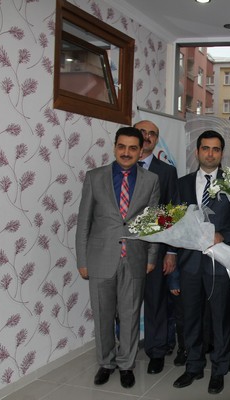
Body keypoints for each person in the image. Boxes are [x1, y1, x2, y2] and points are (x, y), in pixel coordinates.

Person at [76, 127, 161, 389]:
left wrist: (151, 256)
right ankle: (106, 362)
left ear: (140, 151)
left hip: (135, 258)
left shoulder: (151, 180)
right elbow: (84, 222)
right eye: (122, 146)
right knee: (102, 315)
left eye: (133, 148)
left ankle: (126, 365)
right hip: (100, 258)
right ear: (114, 147)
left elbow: (153, 223)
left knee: (130, 315)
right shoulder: (95, 177)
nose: (126, 152)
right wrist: (82, 260)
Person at [173, 130, 230, 395]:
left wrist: (223, 234)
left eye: (215, 149)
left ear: (222, 153)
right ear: (197, 152)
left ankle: (219, 369)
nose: (210, 154)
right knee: (190, 316)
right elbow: (174, 220)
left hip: (219, 261)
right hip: (189, 262)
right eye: (205, 148)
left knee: (220, 318)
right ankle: (194, 366)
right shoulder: (182, 184)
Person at [133, 120, 179, 375]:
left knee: (156, 302)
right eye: (143, 132)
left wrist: (170, 251)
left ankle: (157, 351)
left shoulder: (167, 172)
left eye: (152, 134)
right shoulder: (121, 167)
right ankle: (125, 349)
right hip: (125, 248)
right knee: (125, 302)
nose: (147, 137)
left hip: (156, 249)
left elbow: (171, 213)